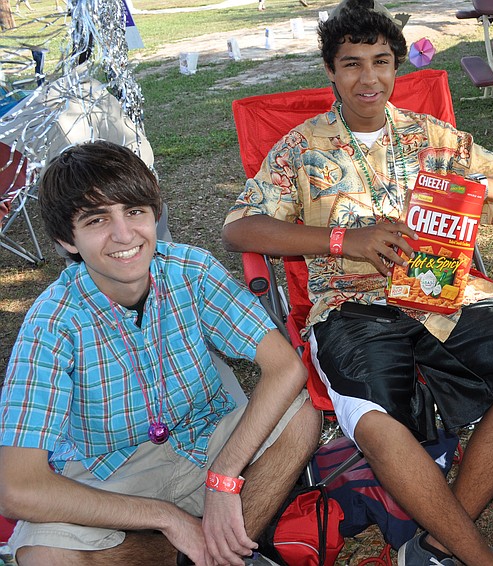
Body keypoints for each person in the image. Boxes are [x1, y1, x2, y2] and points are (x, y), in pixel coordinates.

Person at [221, 1, 493, 564]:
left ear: (396, 66)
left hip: (443, 291)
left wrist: (473, 190)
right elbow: (239, 228)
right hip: (351, 305)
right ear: (331, 71)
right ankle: (479, 556)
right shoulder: (301, 148)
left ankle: (437, 540)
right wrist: (340, 240)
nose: (368, 78)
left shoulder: (432, 136)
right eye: (351, 64)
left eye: (380, 62)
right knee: (376, 423)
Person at [0, 141, 322, 566]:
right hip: (113, 472)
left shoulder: (190, 270)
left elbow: (285, 368)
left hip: (208, 442)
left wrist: (224, 476)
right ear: (67, 240)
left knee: (302, 415)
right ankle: (203, 551)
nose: (124, 235)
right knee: (44, 556)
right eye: (97, 220)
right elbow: (16, 487)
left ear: (155, 214)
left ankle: (216, 549)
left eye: (134, 211)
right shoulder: (52, 323)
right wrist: (165, 516)